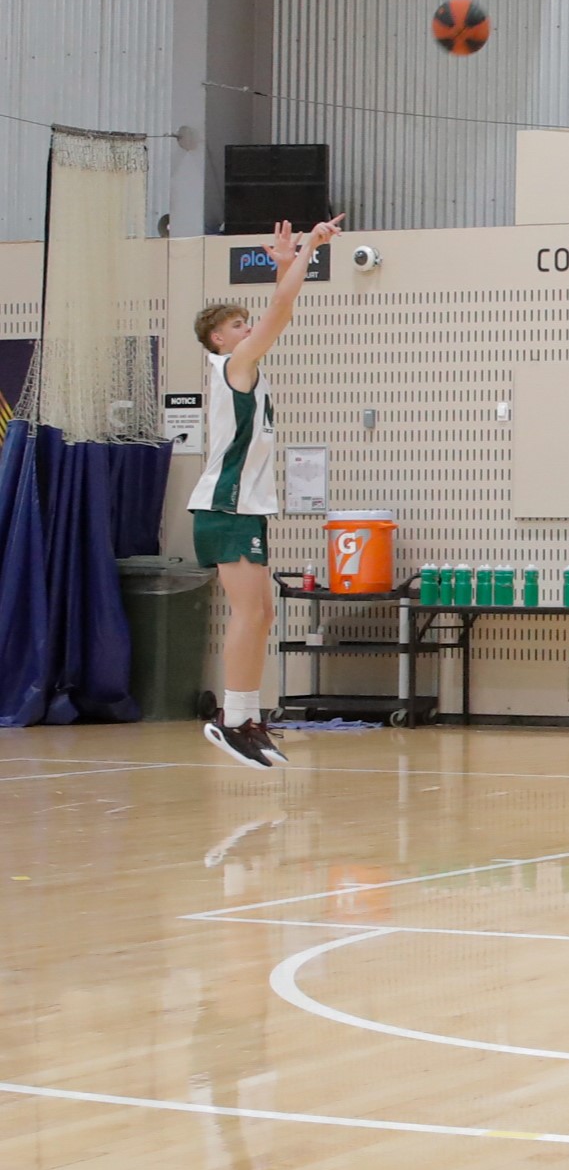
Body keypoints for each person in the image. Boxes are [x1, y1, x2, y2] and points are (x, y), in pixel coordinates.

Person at [189, 213, 343, 769]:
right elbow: (282, 311)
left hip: (245, 509)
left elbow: (275, 310)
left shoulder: (244, 366)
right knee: (249, 614)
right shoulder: (235, 363)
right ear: (218, 338)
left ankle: (246, 717)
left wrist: (284, 264)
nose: (247, 328)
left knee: (263, 615)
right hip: (224, 507)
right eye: (238, 323)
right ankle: (232, 721)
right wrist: (307, 253)